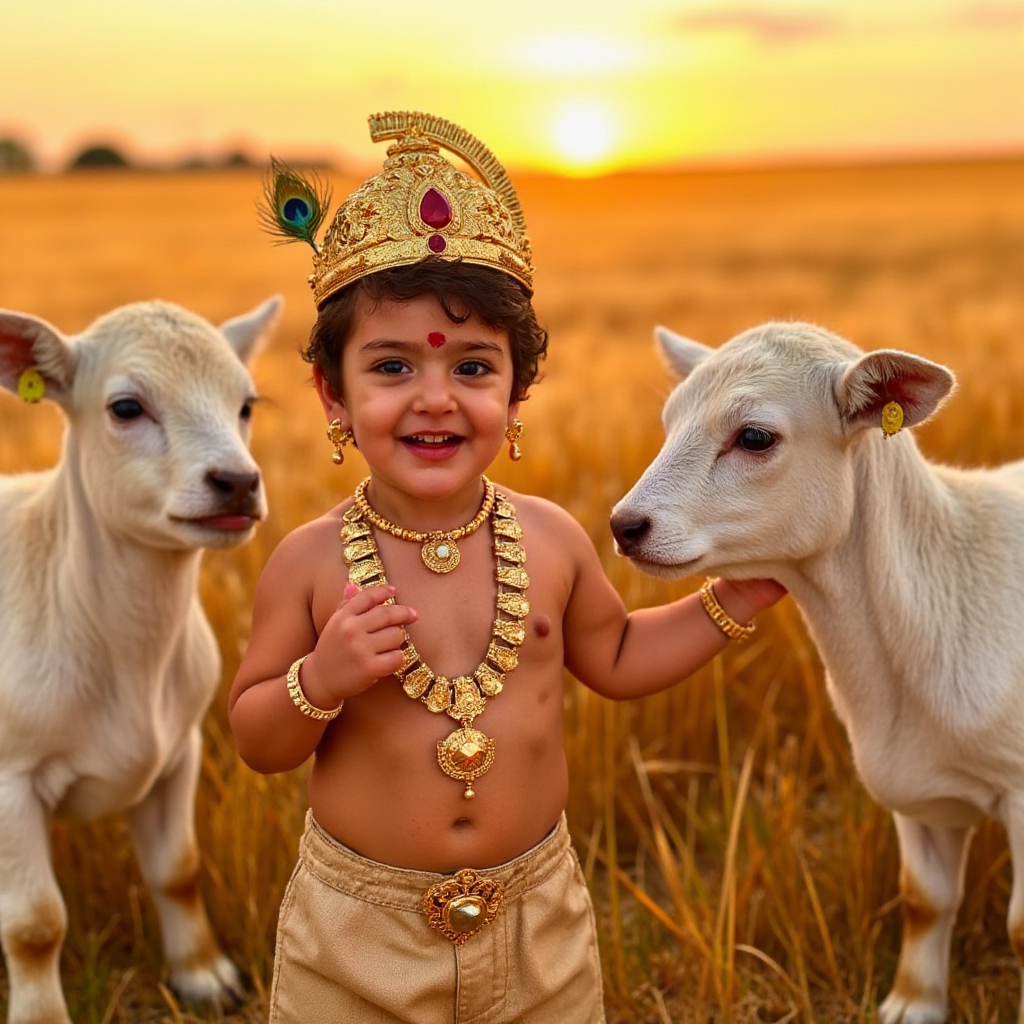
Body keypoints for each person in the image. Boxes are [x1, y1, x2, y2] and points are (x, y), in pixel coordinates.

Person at [229, 111, 785, 1024]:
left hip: (538, 926)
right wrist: (321, 679)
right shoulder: (309, 562)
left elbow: (614, 660)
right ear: (334, 392)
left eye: (475, 369)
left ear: (516, 391)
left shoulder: (553, 539)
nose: (435, 398)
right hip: (356, 938)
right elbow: (256, 740)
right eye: (393, 366)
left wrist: (734, 598)